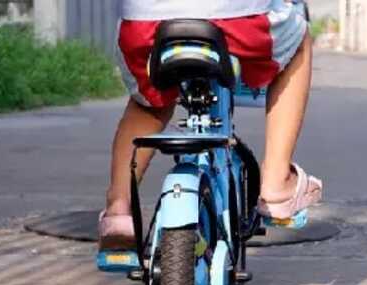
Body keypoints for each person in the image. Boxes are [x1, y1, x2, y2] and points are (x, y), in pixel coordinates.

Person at [99, 0, 323, 251]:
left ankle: (119, 206)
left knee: (149, 103)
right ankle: (277, 180)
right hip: (239, 20)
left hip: (145, 24)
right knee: (299, 41)